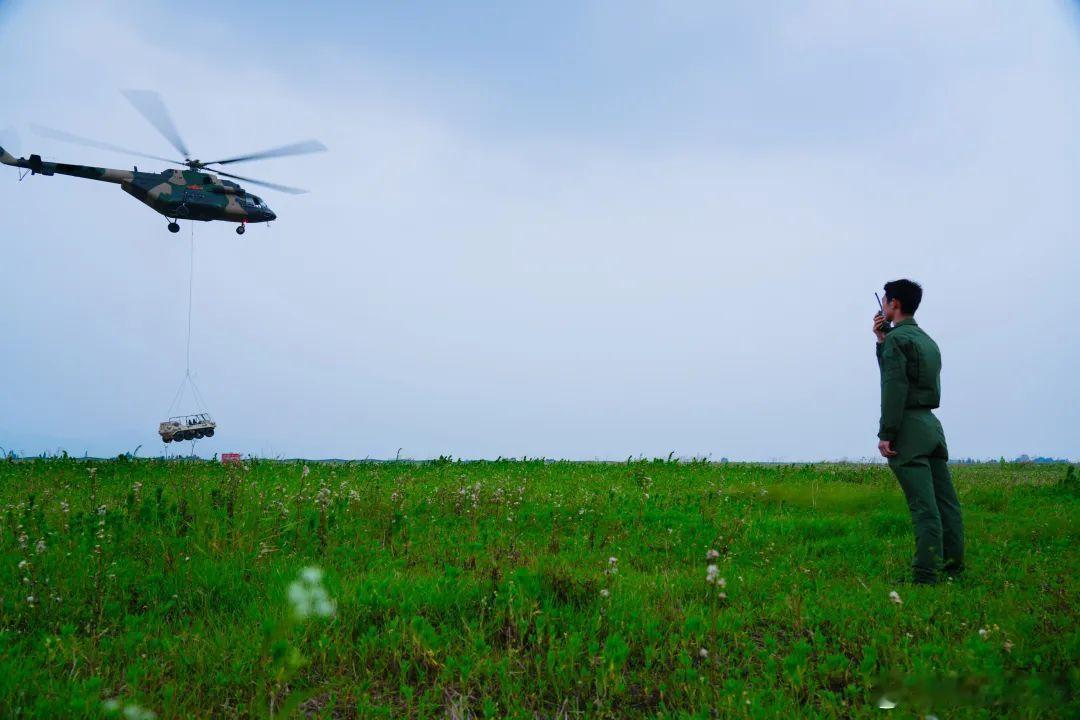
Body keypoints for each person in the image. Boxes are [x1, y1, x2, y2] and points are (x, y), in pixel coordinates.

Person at [874, 279, 964, 584]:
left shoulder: (897, 340)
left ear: (894, 304)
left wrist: (886, 432)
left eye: (885, 301)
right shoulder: (927, 341)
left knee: (924, 507)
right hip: (931, 426)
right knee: (946, 504)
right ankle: (953, 568)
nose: (883, 306)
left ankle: (926, 576)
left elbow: (894, 386)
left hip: (909, 428)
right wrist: (882, 340)